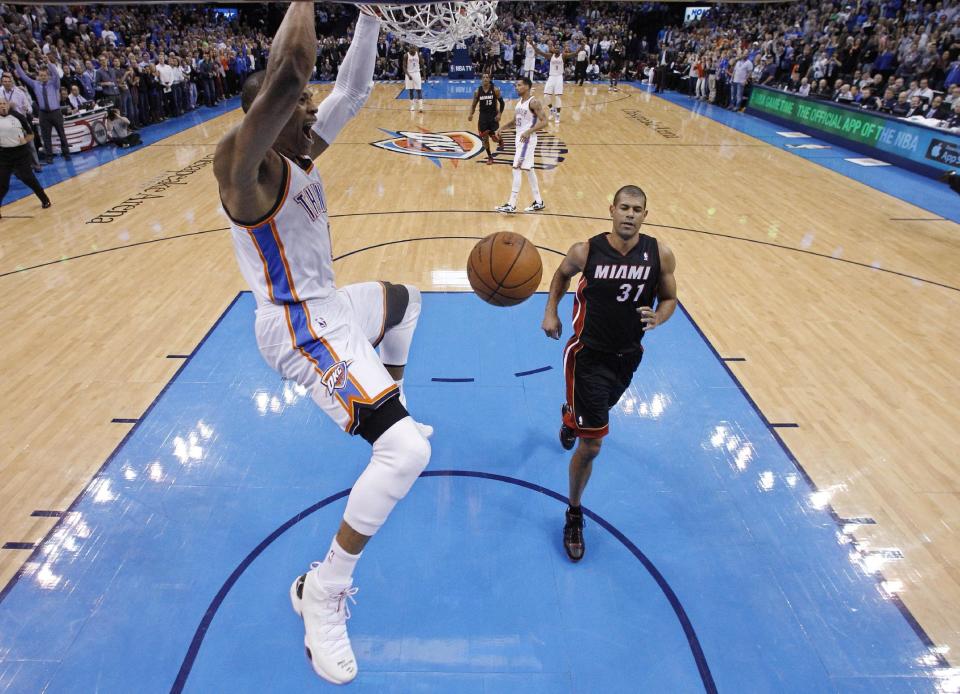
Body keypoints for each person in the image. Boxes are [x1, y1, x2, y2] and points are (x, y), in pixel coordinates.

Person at [213, 3, 432, 685]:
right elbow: (293, 68)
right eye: (298, 107)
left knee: (405, 303)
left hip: (330, 308)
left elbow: (354, 90)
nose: (312, 111)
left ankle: (388, 402)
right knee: (408, 453)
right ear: (266, 118)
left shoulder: (297, 150)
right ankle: (324, 592)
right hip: (300, 330)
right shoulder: (241, 171)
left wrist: (368, 17)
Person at [540, 185, 677, 561]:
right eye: (624, 208)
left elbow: (669, 298)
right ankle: (574, 512)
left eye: (637, 209)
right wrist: (550, 310)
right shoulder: (586, 250)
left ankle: (571, 418)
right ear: (611, 210)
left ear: (645, 215)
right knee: (594, 444)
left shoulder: (659, 254)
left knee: (592, 419)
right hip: (586, 356)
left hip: (628, 356)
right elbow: (560, 275)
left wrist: (659, 317)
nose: (630, 215)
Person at [495, 76, 548, 214]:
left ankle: (511, 204)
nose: (516, 87)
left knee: (516, 168)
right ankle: (538, 201)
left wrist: (529, 132)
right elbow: (515, 122)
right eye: (516, 85)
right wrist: (502, 128)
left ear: (527, 87)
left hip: (527, 140)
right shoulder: (519, 103)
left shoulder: (533, 102)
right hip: (520, 138)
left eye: (519, 85)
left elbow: (544, 121)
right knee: (529, 169)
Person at [13, 55, 71, 165]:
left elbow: (56, 75)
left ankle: (66, 153)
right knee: (46, 136)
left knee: (61, 134)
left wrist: (48, 62)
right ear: (38, 76)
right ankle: (49, 156)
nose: (43, 77)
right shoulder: (35, 84)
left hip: (56, 112)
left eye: (44, 75)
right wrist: (16, 63)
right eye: (41, 75)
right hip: (43, 113)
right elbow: (23, 76)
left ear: (48, 76)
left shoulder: (54, 83)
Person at [0, 98, 51, 217]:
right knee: (2, 184)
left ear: (8, 105)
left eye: (4, 103)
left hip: (20, 153)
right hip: (3, 155)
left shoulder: (17, 116)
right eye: (0, 104)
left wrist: (24, 141)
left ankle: (45, 199)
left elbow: (31, 135)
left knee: (28, 178)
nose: (2, 106)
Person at [535, 40, 574, 123]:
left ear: (560, 49)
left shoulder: (563, 55)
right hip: (551, 77)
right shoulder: (550, 56)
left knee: (557, 97)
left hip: (559, 77)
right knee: (546, 96)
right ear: (553, 49)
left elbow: (575, 54)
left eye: (558, 48)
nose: (556, 49)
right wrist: (532, 44)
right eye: (555, 48)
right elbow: (539, 52)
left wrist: (581, 47)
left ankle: (557, 115)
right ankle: (552, 109)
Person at [467, 73, 502, 164]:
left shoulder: (495, 89)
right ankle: (490, 157)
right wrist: (471, 114)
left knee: (494, 140)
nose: (485, 79)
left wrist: (499, 114)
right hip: (483, 117)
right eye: (484, 77)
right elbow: (473, 105)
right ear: (481, 79)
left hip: (493, 116)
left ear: (490, 79)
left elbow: (502, 103)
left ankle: (498, 139)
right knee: (485, 138)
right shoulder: (477, 91)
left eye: (487, 77)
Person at [402, 45, 422, 112]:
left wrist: (424, 75)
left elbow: (422, 64)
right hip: (409, 73)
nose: (412, 49)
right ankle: (412, 106)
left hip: (417, 73)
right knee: (411, 91)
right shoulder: (406, 55)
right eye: (411, 48)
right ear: (409, 49)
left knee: (419, 90)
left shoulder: (418, 55)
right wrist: (408, 75)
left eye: (414, 48)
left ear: (415, 49)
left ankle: (420, 107)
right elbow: (404, 67)